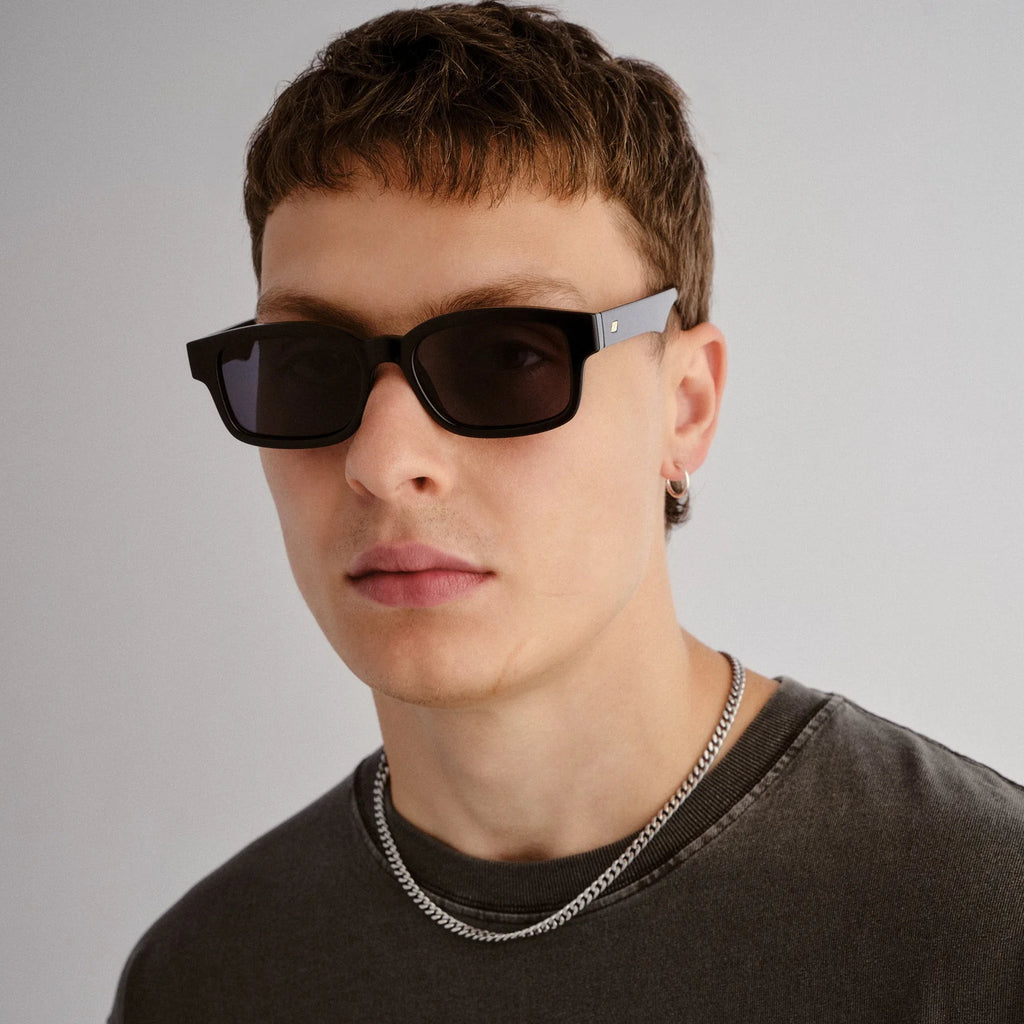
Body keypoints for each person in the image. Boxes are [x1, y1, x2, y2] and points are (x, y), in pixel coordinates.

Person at [110, 3, 1024, 1020]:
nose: (383, 461)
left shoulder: (983, 926)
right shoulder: (206, 978)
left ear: (685, 406)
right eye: (307, 366)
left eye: (510, 357)